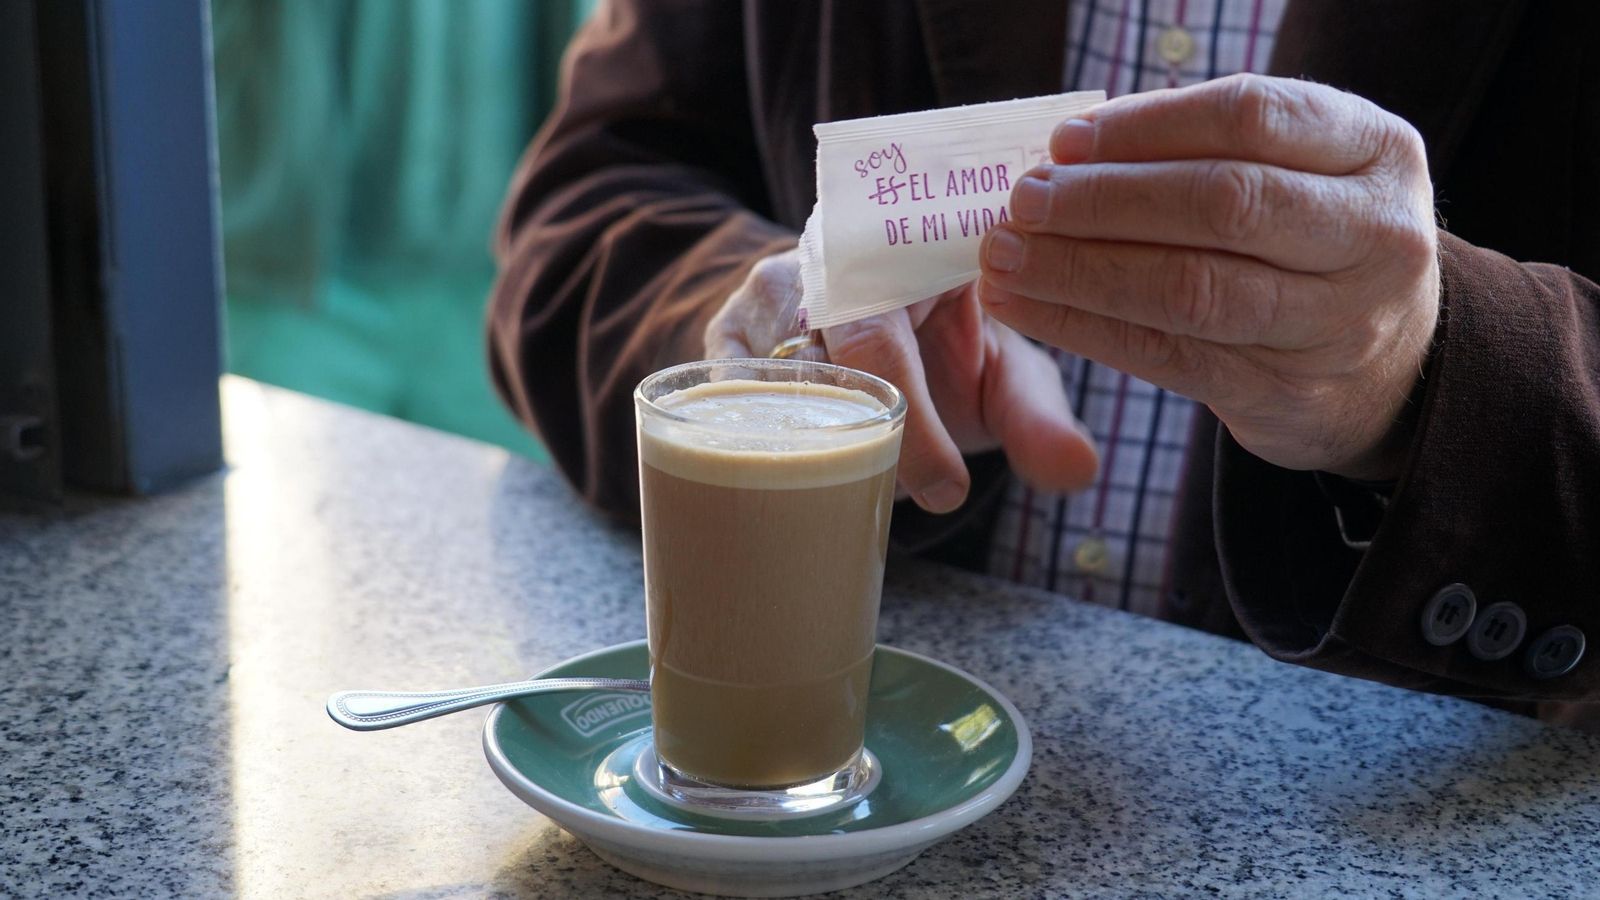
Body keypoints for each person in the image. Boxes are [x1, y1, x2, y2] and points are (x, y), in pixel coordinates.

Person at [487, 0, 1600, 725]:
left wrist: (1427, 376)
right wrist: (774, 363)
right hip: (836, 772)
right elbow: (582, 212)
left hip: (1384, 810)